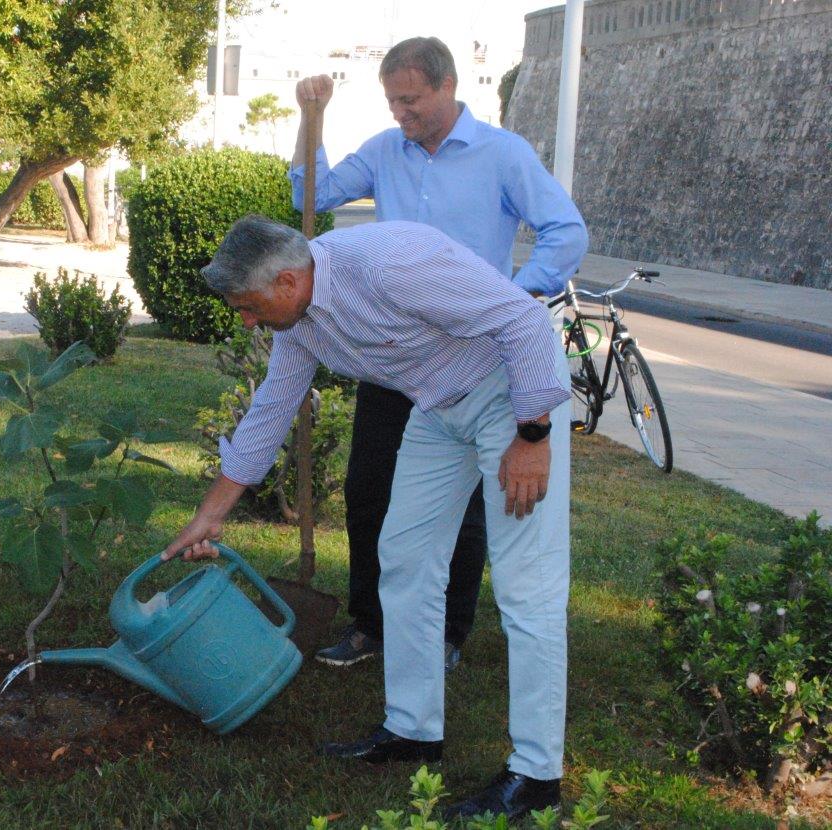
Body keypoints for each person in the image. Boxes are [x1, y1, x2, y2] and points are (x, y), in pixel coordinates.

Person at [165, 215, 572, 820]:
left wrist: (532, 433)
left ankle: (537, 776)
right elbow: (274, 407)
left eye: (249, 306)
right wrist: (211, 514)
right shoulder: (299, 322)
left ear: (286, 281)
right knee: (404, 562)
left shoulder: (386, 263)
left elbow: (523, 318)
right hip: (438, 406)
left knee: (527, 591)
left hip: (510, 397)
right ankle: (413, 732)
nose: (246, 320)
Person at [289, 37, 587, 669]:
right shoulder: (383, 151)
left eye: (411, 99)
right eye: (393, 100)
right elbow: (308, 199)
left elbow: (566, 228)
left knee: (470, 504)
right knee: (368, 488)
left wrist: (516, 292)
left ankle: (448, 633)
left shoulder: (501, 154)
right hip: (395, 356)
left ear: (448, 86)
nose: (401, 112)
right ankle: (371, 625)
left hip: (475, 358)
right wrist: (308, 121)